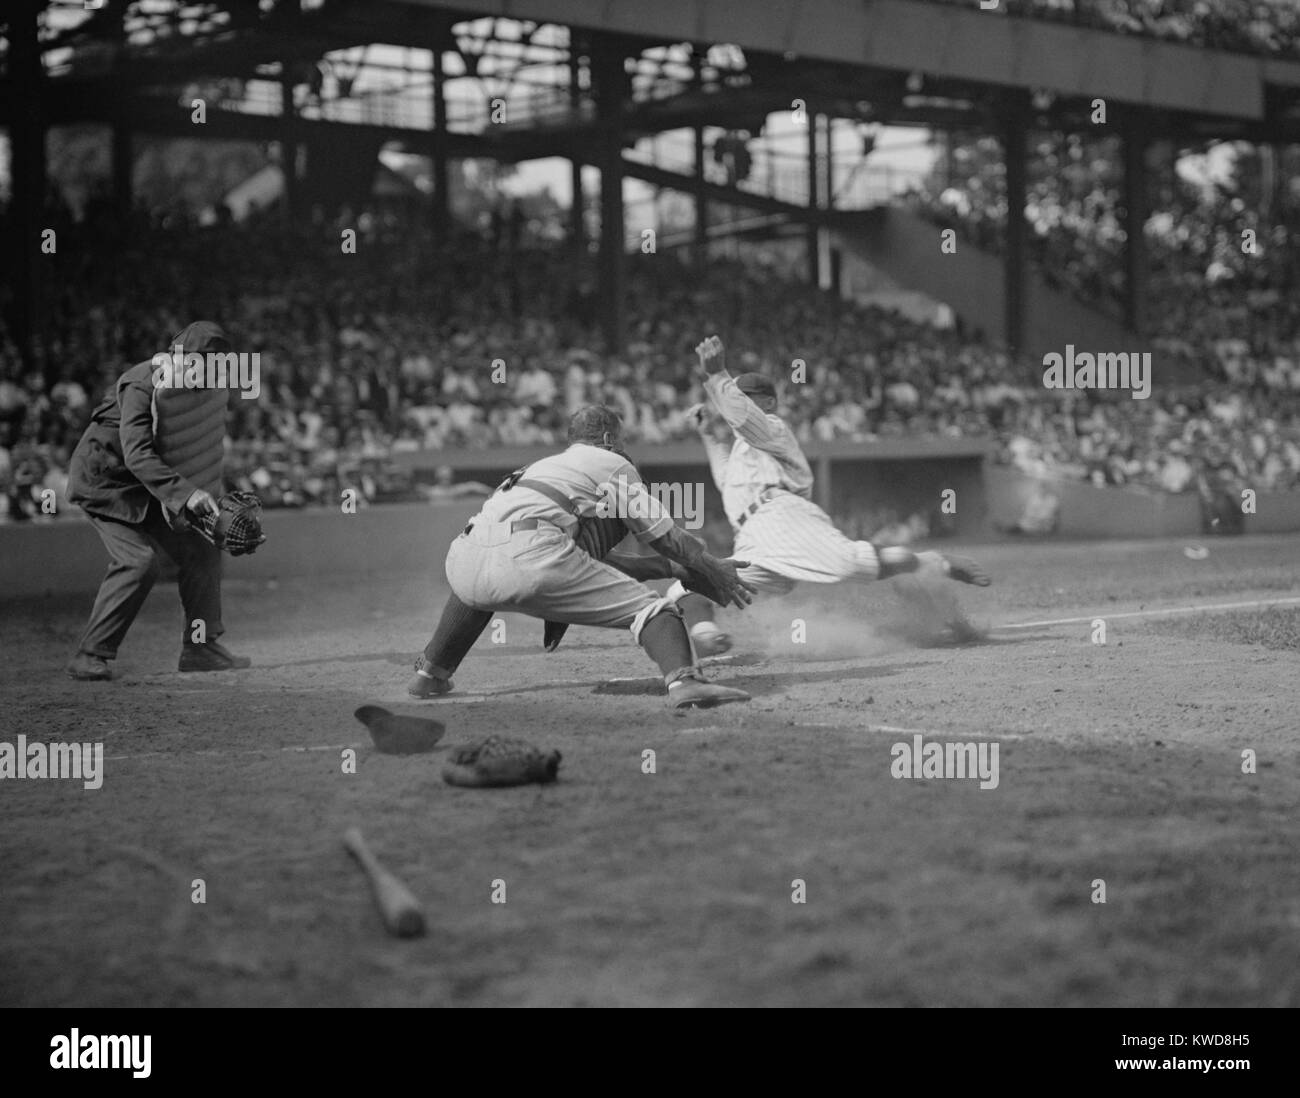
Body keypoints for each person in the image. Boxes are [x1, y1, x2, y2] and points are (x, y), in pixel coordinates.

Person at [407, 404, 755, 709]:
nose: (623, 448)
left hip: (464, 557)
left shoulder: (543, 467)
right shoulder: (611, 462)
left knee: (477, 587)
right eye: (621, 440)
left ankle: (430, 673)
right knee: (655, 609)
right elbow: (665, 536)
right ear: (607, 439)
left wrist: (671, 568)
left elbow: (585, 561)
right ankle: (686, 683)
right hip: (533, 556)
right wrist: (711, 566)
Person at [672, 335, 991, 654]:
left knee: (851, 565)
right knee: (689, 583)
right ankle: (704, 633)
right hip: (752, 539)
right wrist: (709, 436)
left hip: (782, 517)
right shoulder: (743, 447)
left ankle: (935, 563)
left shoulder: (772, 428)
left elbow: (743, 417)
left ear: (768, 402)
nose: (736, 401)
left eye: (746, 395)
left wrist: (717, 376)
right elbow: (726, 477)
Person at [63, 321, 251, 680]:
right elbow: (137, 454)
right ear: (182, 358)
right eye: (205, 363)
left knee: (201, 547)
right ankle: (89, 654)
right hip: (105, 482)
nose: (210, 372)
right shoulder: (142, 383)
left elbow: (193, 450)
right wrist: (186, 494)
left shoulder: (197, 391)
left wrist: (211, 501)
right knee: (138, 561)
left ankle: (200, 648)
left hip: (147, 485)